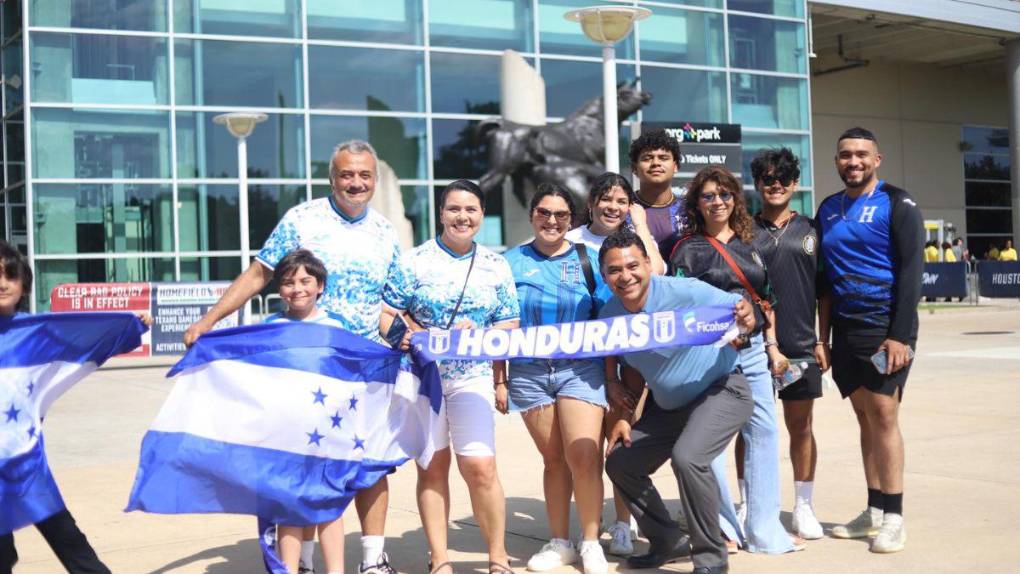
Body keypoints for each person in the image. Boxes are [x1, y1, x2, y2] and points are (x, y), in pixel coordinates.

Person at [183, 140, 399, 574]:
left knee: (370, 465)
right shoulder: (302, 220)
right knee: (307, 466)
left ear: (374, 180)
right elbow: (261, 271)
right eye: (346, 175)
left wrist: (414, 337)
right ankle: (303, 563)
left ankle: (373, 561)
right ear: (331, 178)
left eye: (364, 176)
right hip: (309, 369)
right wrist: (209, 321)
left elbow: (389, 305)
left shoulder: (384, 231)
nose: (355, 183)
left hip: (364, 369)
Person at [380, 180, 519, 574]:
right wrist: (412, 338)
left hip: (471, 378)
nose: (462, 217)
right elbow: (387, 315)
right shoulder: (415, 261)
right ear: (441, 213)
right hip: (424, 379)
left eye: (471, 209)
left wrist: (485, 342)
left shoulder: (496, 264)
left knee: (480, 467)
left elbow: (509, 324)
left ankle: (497, 556)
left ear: (481, 215)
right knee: (432, 467)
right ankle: (439, 559)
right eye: (454, 209)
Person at [600, 228, 756, 574]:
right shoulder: (609, 316)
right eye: (614, 270)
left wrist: (747, 319)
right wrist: (624, 416)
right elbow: (634, 372)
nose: (625, 276)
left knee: (689, 458)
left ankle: (711, 560)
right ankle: (667, 541)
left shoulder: (686, 291)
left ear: (647, 264)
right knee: (620, 462)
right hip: (669, 408)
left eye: (632, 265)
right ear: (604, 276)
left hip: (722, 389)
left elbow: (745, 313)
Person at [668, 166, 800, 554]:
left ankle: (763, 529)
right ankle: (723, 525)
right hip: (709, 357)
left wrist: (773, 346)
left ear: (735, 200)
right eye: (708, 195)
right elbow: (680, 309)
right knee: (710, 440)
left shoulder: (753, 242)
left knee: (763, 433)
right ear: (697, 203)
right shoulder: (685, 249)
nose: (717, 202)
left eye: (724, 194)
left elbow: (768, 299)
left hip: (755, 350)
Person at [0, 241, 151, 574]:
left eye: (10, 274)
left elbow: (88, 337)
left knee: (72, 546)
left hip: (27, 467)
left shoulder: (38, 333)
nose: (2, 283)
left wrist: (131, 324)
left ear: (24, 282)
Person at [816, 127, 923, 554]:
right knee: (864, 417)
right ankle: (874, 510)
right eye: (845, 155)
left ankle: (895, 518)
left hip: (886, 331)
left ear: (877, 159)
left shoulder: (898, 203)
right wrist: (822, 338)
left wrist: (900, 335)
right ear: (837, 160)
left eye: (862, 154)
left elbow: (913, 273)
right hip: (846, 331)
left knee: (884, 415)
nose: (853, 162)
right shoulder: (828, 209)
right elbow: (823, 282)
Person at [503, 184, 612, 574]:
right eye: (544, 213)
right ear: (532, 215)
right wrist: (499, 379)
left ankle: (590, 542)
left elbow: (614, 313)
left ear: (572, 219)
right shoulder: (509, 262)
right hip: (529, 372)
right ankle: (559, 542)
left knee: (583, 455)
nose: (552, 221)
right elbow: (498, 322)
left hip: (580, 368)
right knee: (553, 461)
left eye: (561, 215)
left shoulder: (592, 259)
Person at [565, 171, 663, 556]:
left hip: (632, 355)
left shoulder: (636, 239)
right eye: (607, 199)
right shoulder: (573, 241)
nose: (614, 207)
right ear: (591, 202)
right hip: (587, 354)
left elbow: (657, 272)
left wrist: (640, 224)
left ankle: (624, 523)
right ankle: (592, 520)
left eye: (622, 200)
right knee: (586, 444)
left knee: (622, 437)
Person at [750, 148, 829, 541]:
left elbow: (825, 291)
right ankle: (749, 503)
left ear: (794, 184)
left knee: (801, 427)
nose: (775, 183)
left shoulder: (813, 230)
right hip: (753, 349)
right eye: (767, 178)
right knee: (748, 430)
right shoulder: (744, 231)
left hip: (800, 346)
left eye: (783, 177)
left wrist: (822, 338)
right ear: (757, 184)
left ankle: (803, 506)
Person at [263, 249, 346, 574]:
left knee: (329, 505)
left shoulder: (336, 326)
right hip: (285, 435)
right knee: (289, 508)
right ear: (279, 289)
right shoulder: (270, 327)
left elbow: (354, 371)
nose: (297, 288)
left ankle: (335, 570)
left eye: (305, 281)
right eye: (287, 282)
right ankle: (290, 568)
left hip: (328, 433)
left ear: (320, 285)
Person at [628, 129, 689, 259]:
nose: (655, 163)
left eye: (663, 158)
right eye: (647, 158)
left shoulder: (690, 210)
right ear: (634, 168)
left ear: (676, 166)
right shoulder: (622, 210)